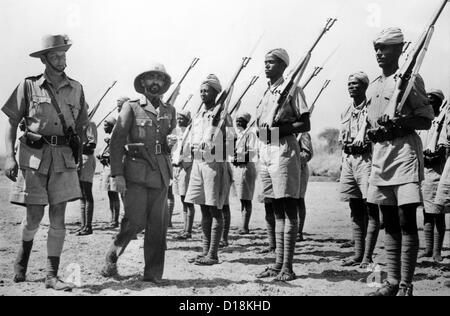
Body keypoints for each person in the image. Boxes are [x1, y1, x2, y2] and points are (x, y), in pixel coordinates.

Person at [2, 34, 88, 291]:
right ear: (45, 59)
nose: (61, 60)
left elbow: (82, 125)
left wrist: (79, 152)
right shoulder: (28, 86)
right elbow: (11, 122)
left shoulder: (77, 88)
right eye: (55, 55)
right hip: (34, 157)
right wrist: (9, 156)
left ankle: (52, 275)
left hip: (63, 158)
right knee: (34, 216)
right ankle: (22, 261)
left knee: (59, 215)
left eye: (63, 55)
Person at [365, 28, 434, 296]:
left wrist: (400, 121)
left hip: (404, 152)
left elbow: (425, 119)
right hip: (381, 155)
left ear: (400, 49)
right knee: (389, 221)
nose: (380, 53)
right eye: (377, 49)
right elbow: (370, 122)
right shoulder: (375, 84)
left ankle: (406, 284)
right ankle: (391, 282)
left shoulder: (410, 81)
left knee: (406, 220)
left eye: (386, 48)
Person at [101, 63, 176, 283]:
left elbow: (170, 141)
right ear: (142, 83)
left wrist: (172, 143)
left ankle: (153, 274)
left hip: (161, 173)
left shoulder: (169, 110)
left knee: (158, 226)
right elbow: (116, 141)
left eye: (159, 79)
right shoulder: (131, 107)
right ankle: (112, 255)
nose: (155, 82)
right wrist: (118, 174)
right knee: (134, 221)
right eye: (150, 78)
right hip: (135, 173)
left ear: (164, 83)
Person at [255, 49, 311, 282]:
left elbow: (305, 122)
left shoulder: (293, 90)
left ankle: (288, 266)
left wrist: (280, 129)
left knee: (289, 207)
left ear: (283, 66)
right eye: (266, 62)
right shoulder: (267, 93)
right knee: (276, 208)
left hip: (284, 150)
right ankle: (278, 263)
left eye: (273, 62)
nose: (267, 66)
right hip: (267, 152)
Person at [184, 74, 235, 265]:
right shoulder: (198, 116)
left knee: (214, 209)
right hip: (198, 164)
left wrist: (216, 148)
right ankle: (205, 251)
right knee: (203, 208)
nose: (203, 93)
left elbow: (231, 142)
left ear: (216, 93)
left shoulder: (223, 115)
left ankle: (213, 254)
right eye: (201, 90)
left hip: (214, 164)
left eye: (207, 90)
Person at [339, 72, 380, 269]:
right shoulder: (346, 110)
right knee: (354, 208)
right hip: (349, 160)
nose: (352, 87)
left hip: (367, 159)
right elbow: (342, 139)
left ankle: (368, 256)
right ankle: (357, 253)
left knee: (370, 207)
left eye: (356, 84)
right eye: (349, 84)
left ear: (365, 86)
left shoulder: (372, 108)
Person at [418, 89, 447, 262]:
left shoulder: (443, 121)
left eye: (433, 100)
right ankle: (428, 249)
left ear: (440, 102)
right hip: (423, 171)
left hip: (438, 170)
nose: (430, 103)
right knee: (427, 213)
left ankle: (437, 251)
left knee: (438, 212)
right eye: (427, 100)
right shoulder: (424, 122)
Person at [171, 110, 196, 240]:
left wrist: (184, 163)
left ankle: (188, 230)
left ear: (187, 119)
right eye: (178, 118)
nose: (179, 120)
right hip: (175, 168)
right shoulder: (175, 132)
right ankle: (184, 229)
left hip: (185, 167)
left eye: (182, 118)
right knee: (182, 199)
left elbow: (192, 151)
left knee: (188, 200)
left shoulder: (192, 133)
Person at [231, 112, 258, 235]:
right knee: (241, 198)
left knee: (246, 198)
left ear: (246, 122)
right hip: (237, 168)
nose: (238, 123)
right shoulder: (237, 135)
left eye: (241, 121)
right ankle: (243, 224)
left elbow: (252, 153)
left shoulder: (250, 134)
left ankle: (245, 226)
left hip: (246, 168)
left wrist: (238, 158)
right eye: (237, 121)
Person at [96, 117, 121, 228]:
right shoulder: (110, 138)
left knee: (114, 195)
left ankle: (115, 220)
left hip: (113, 168)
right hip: (108, 168)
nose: (104, 128)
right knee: (111, 195)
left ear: (111, 126)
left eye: (106, 126)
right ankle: (113, 219)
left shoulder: (115, 138)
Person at [74, 120, 98, 236]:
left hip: (86, 160)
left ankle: (88, 226)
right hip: (79, 160)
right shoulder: (79, 125)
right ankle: (84, 225)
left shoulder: (89, 124)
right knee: (82, 195)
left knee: (87, 193)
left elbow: (91, 145)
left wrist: (77, 148)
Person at [297, 132, 313, 242]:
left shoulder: (302, 134)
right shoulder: (277, 130)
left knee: (298, 200)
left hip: (299, 169)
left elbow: (307, 154)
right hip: (279, 169)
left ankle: (298, 232)